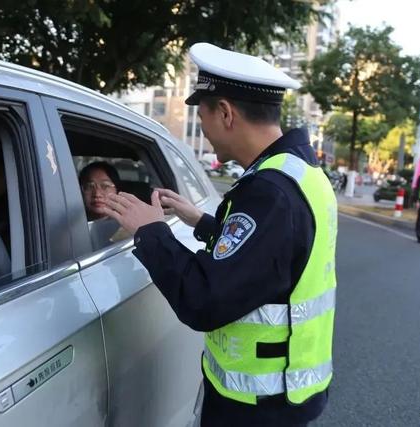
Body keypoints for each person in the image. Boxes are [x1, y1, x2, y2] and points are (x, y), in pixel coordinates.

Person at [103, 43, 337, 426]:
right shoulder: (299, 173)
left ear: (225, 112)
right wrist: (202, 222)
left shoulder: (271, 192)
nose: (202, 129)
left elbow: (203, 300)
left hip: (258, 405)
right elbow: (272, 256)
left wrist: (151, 232)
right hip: (283, 389)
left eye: (202, 116)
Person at [79, 161, 128, 249]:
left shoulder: (126, 227)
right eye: (90, 186)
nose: (97, 194)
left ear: (117, 190)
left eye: (105, 186)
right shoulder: (71, 226)